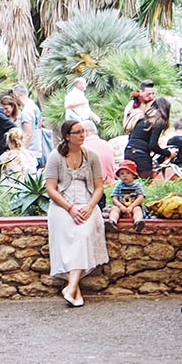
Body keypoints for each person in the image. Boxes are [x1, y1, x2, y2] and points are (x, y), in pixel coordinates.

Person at [47, 119, 108, 307]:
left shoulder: (92, 156)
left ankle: (71, 287)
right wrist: (70, 208)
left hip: (86, 204)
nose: (82, 135)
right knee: (66, 236)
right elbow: (51, 189)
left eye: (83, 131)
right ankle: (75, 290)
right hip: (62, 205)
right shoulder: (55, 157)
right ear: (67, 136)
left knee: (82, 235)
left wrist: (89, 207)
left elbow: (99, 187)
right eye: (77, 132)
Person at [122, 95, 172, 179]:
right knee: (145, 184)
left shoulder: (143, 118)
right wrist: (168, 153)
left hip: (129, 151)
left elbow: (132, 137)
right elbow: (152, 145)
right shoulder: (159, 121)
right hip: (141, 155)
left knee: (130, 184)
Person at [107, 160, 145, 229]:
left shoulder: (137, 185)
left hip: (133, 206)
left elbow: (140, 197)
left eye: (128, 173)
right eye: (122, 174)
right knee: (114, 209)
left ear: (133, 175)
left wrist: (131, 206)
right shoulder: (119, 185)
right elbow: (114, 198)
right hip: (121, 207)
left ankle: (138, 222)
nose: (125, 175)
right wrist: (121, 206)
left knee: (138, 209)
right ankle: (112, 222)